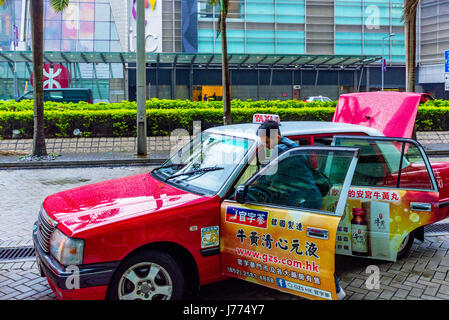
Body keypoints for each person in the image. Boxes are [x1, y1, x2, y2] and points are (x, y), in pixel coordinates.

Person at [256, 120, 322, 209]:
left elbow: (267, 177)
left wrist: (253, 182)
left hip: (305, 201)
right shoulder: (290, 144)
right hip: (310, 197)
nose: (266, 146)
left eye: (267, 142)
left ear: (277, 137)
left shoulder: (281, 149)